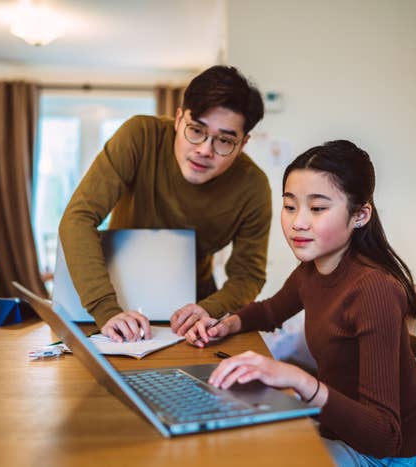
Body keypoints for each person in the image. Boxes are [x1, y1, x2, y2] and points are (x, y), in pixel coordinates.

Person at [185, 140, 416, 466]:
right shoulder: (312, 270)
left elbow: (384, 434)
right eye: (290, 206)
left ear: (360, 215)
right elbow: (270, 310)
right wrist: (225, 324)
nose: (298, 222)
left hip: (382, 456)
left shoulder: (375, 290)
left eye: (317, 208)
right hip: (338, 430)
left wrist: (298, 380)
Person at [59, 66, 271, 343]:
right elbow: (79, 216)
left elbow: (248, 274)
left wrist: (209, 308)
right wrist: (104, 307)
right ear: (179, 119)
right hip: (112, 293)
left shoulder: (253, 187)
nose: (205, 150)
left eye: (225, 141)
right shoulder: (140, 135)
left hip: (195, 311)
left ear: (242, 144)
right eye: (196, 130)